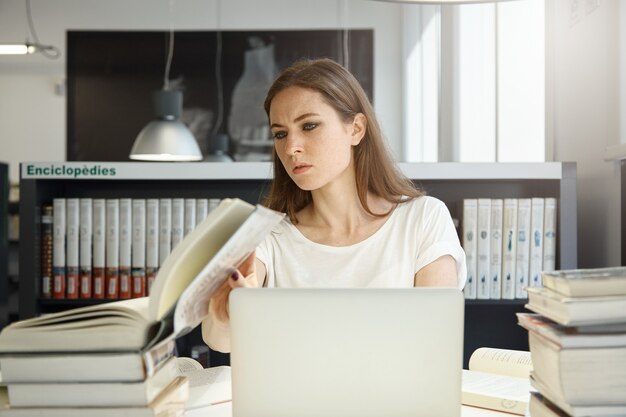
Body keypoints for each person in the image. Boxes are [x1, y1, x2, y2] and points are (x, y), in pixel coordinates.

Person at [203, 58, 466, 352]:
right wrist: (227, 310)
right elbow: (219, 340)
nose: (291, 148)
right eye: (280, 134)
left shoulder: (423, 219)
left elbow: (436, 340)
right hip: (294, 398)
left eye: (310, 125)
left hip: (397, 397)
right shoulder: (269, 235)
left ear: (356, 128)